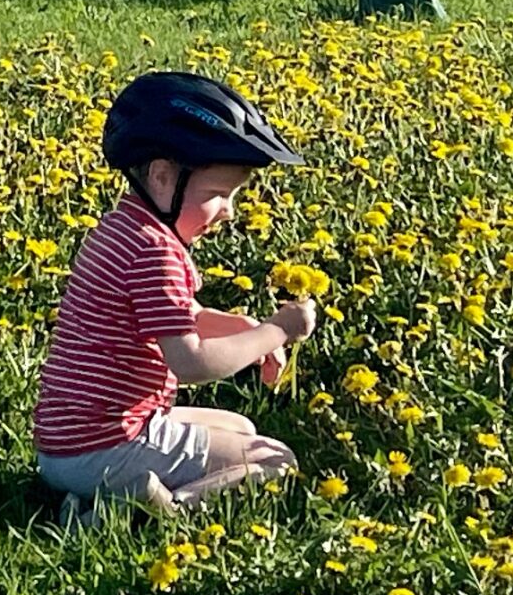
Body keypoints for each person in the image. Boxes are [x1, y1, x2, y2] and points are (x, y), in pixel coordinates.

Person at [33, 71, 319, 527]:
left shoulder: (124, 230)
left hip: (68, 439)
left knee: (241, 429)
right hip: (105, 444)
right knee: (274, 460)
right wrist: (276, 330)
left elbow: (174, 317)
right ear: (163, 177)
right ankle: (140, 511)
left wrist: (243, 328)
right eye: (217, 194)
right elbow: (190, 363)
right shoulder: (154, 253)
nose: (228, 210)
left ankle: (107, 497)